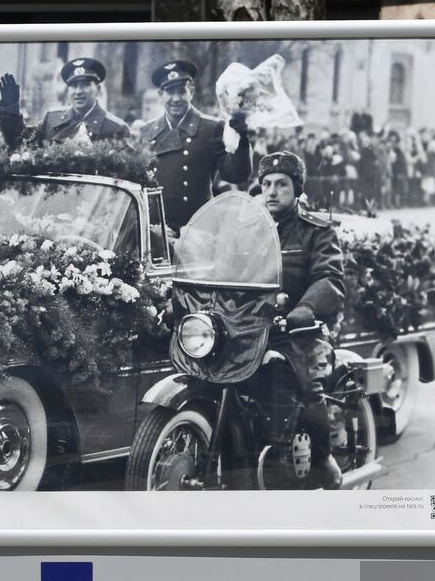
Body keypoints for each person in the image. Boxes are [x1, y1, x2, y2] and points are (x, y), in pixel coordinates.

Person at [258, 151, 346, 489]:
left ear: (296, 189)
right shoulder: (248, 230)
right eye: (266, 184)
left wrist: (305, 309)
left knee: (309, 385)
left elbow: (330, 280)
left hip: (299, 331)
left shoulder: (316, 231)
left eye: (281, 184)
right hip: (253, 328)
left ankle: (324, 459)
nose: (272, 191)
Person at [138, 59, 252, 231]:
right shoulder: (147, 131)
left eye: (181, 91)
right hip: (155, 230)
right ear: (160, 95)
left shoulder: (211, 128)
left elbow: (235, 175)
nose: (176, 98)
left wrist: (241, 137)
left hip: (197, 230)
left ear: (191, 92)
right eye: (170, 92)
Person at [0, 57, 131, 150]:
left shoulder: (116, 128)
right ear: (67, 90)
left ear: (98, 89)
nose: (78, 91)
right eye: (74, 86)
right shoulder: (52, 119)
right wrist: (11, 109)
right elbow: (22, 143)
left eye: (85, 85)